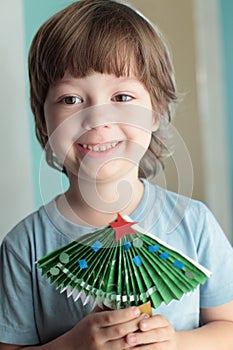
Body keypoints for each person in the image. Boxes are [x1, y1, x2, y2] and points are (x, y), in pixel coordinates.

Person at [1, 0, 233, 349]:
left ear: (156, 112)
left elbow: (228, 327)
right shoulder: (24, 246)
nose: (97, 118)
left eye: (122, 96)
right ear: (43, 120)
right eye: (70, 100)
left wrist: (177, 343)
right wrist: (71, 346)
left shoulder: (195, 225)